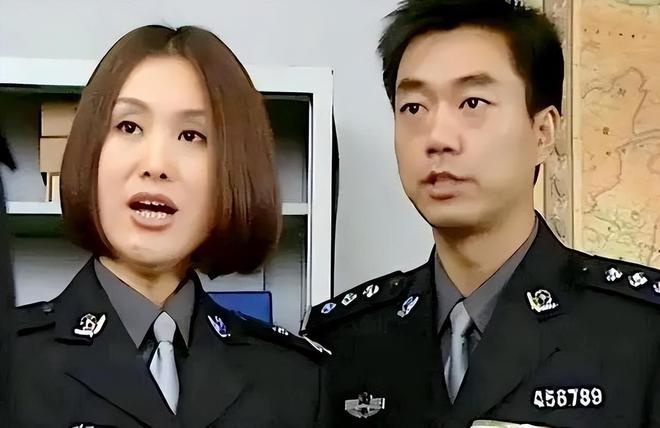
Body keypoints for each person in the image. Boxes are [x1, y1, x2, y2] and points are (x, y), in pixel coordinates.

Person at [302, 1, 660, 427]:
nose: (438, 137)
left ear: (543, 132)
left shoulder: (642, 331)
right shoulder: (343, 339)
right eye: (414, 108)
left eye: (472, 102)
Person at [13, 25, 327, 428]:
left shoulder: (294, 378)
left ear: (234, 170)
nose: (156, 164)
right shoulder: (11, 361)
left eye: (191, 135)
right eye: (129, 127)